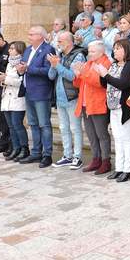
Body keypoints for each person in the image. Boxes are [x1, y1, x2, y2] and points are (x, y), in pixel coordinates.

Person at [99, 39, 130, 182]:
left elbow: (123, 84)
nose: (115, 51)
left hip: (125, 107)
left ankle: (128, 170)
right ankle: (119, 168)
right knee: (117, 138)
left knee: (127, 138)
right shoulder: (114, 64)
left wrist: (106, 75)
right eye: (114, 48)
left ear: (126, 50)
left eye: (118, 48)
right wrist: (102, 74)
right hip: (113, 107)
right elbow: (104, 84)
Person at [17, 26, 56, 168]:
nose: (29, 36)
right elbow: (23, 66)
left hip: (41, 92)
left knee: (44, 124)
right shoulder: (28, 50)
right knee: (33, 123)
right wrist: (20, 70)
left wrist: (29, 68)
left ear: (40, 36)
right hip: (28, 91)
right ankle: (36, 152)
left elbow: (48, 71)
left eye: (31, 34)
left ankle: (47, 154)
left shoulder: (48, 49)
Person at [73, 40, 112, 175]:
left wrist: (83, 73)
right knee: (91, 134)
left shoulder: (106, 63)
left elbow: (98, 83)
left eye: (93, 51)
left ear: (101, 52)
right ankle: (96, 158)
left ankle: (106, 160)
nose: (89, 54)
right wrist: (78, 74)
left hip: (97, 103)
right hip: (85, 103)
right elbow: (79, 84)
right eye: (89, 51)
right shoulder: (89, 63)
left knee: (102, 134)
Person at [48, 31, 86, 169]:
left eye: (60, 42)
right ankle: (67, 155)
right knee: (63, 128)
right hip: (60, 97)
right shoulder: (60, 56)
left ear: (69, 42)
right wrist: (54, 65)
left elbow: (72, 77)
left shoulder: (79, 56)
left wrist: (57, 65)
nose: (58, 44)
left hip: (72, 97)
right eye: (57, 41)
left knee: (75, 128)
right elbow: (51, 76)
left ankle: (77, 157)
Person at [0, 40, 29, 161]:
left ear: (19, 50)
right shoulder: (9, 63)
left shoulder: (23, 63)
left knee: (17, 124)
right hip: (7, 97)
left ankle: (24, 148)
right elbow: (8, 79)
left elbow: (21, 82)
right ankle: (16, 147)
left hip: (17, 98)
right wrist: (2, 79)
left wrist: (6, 79)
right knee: (10, 126)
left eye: (12, 48)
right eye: (10, 48)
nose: (9, 50)